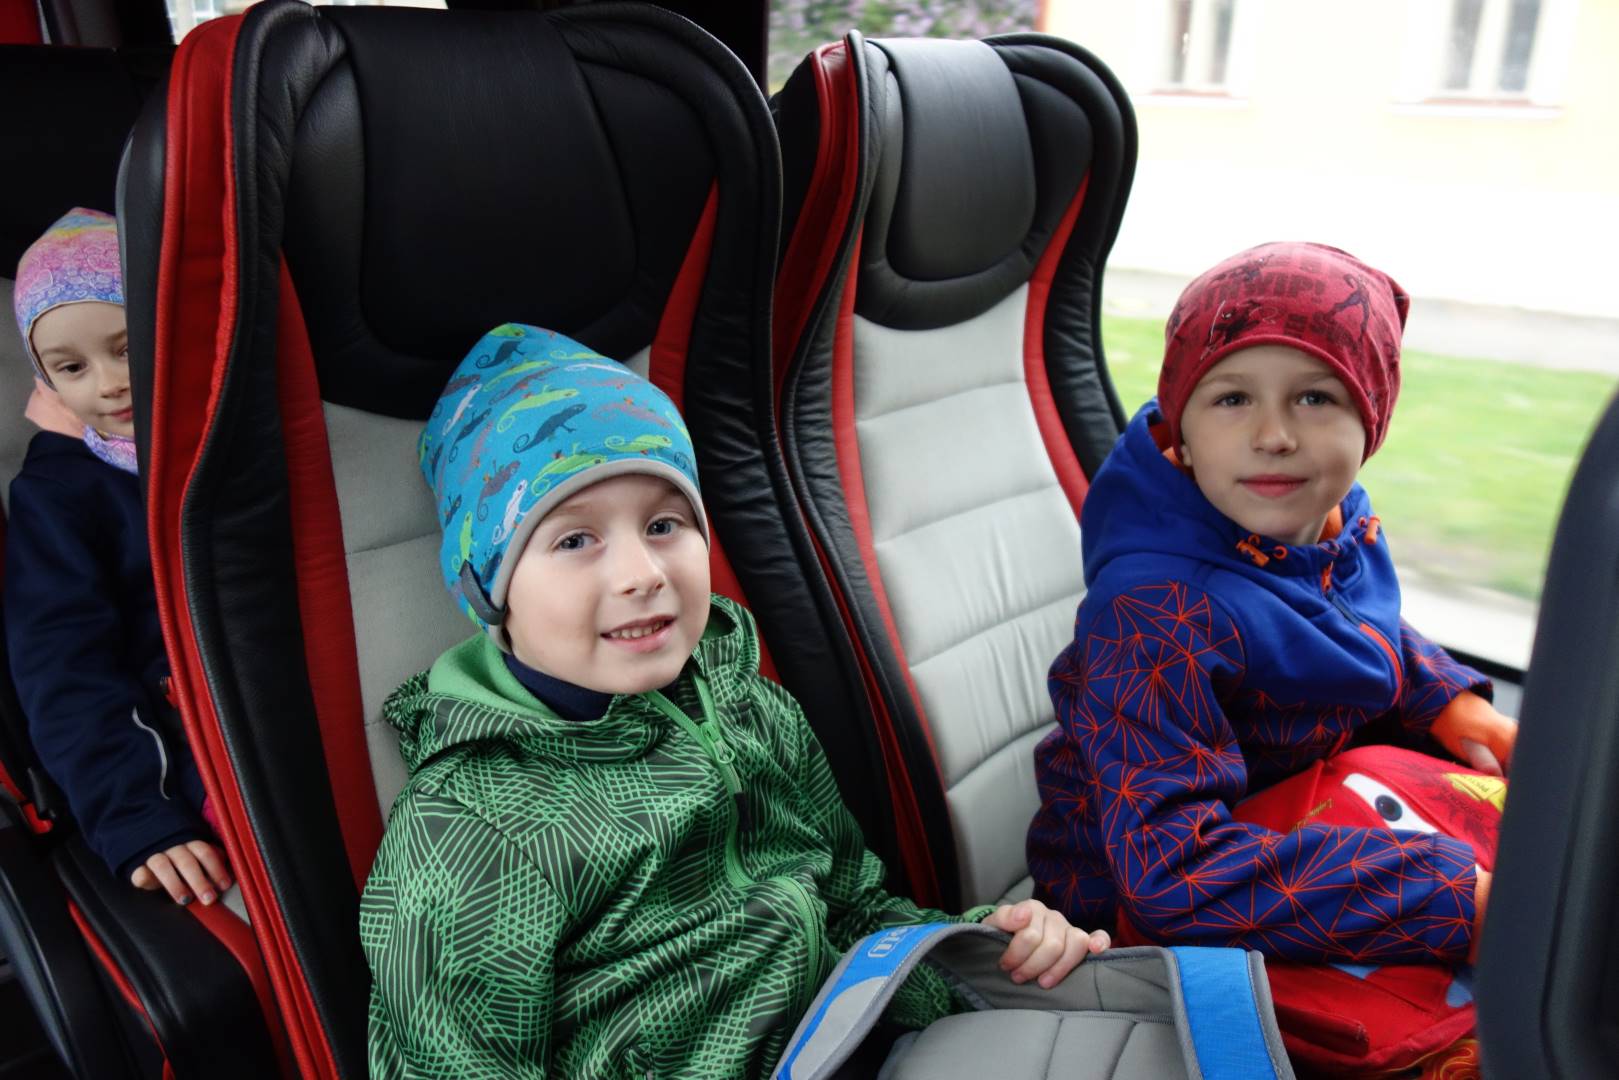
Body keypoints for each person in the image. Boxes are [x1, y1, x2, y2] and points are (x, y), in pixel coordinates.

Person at [361, 324, 1111, 1077]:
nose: (641, 573)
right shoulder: (472, 826)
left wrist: (986, 944)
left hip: (858, 1039)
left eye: (664, 525)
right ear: (487, 590)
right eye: (574, 540)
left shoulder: (753, 709)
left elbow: (854, 906)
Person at [1027, 241, 1517, 966]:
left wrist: (1446, 701)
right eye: (1231, 399)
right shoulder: (1154, 613)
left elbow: (1340, 620)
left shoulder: (1327, 519)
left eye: (1315, 398)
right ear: (1182, 435)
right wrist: (1456, 904)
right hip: (1136, 924)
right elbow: (1174, 878)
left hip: (1292, 819)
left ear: (1372, 421)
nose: (1274, 437)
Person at [6, 208, 230, 907]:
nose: (107, 384)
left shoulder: (236, 431)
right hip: (186, 748)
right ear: (44, 378)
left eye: (127, 348)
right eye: (72, 368)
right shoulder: (58, 495)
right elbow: (64, 669)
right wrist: (138, 816)